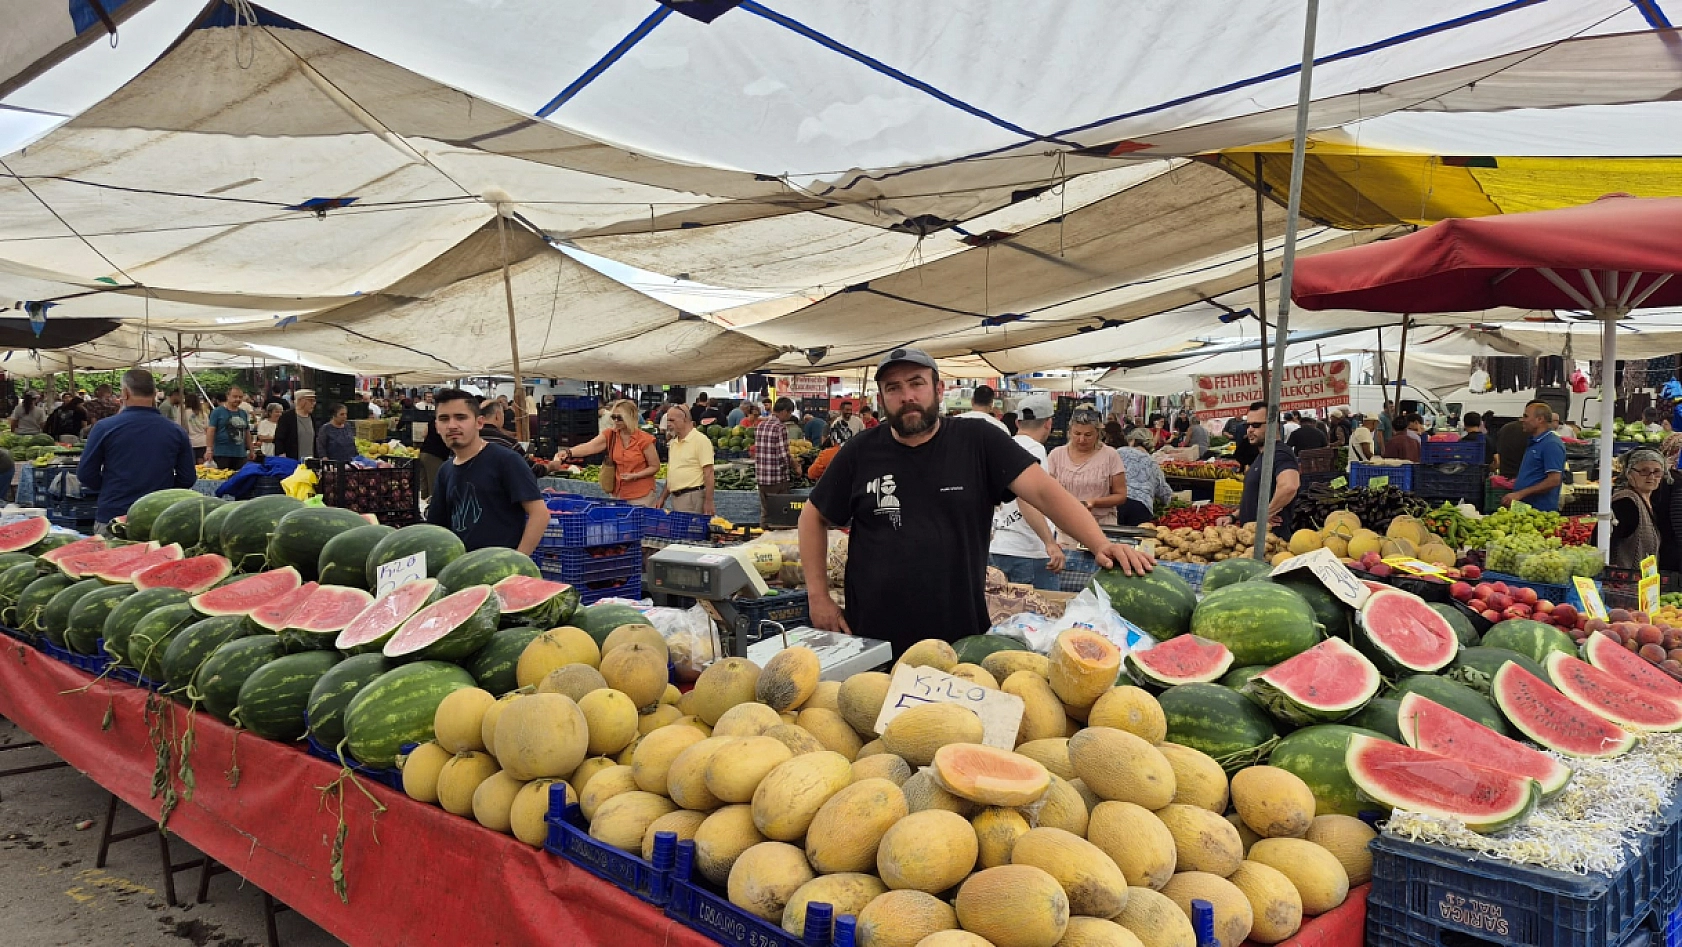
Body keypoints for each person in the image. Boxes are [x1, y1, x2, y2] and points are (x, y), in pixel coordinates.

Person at [800, 347, 1153, 652]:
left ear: (938, 388)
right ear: (881, 398)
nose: (907, 395)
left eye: (917, 383)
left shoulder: (978, 441)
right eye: (893, 388)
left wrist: (1100, 544)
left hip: (959, 638)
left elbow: (1045, 492)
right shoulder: (860, 452)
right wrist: (818, 596)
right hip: (872, 637)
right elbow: (812, 517)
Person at [425, 389, 548, 553]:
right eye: (444, 419)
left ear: (479, 423)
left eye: (461, 417)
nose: (452, 425)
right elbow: (437, 528)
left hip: (501, 569)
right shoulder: (445, 470)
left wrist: (518, 561)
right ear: (437, 427)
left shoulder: (506, 460)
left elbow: (540, 514)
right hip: (462, 569)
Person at [76, 369, 195, 533]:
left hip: (114, 514)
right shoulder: (176, 431)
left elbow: (85, 474)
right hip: (159, 518)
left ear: (124, 393)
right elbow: (187, 478)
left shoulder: (104, 428)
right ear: (154, 393)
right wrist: (163, 491)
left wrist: (111, 487)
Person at [1047, 407, 1138, 573]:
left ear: (1098, 433)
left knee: (1102, 570)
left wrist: (1094, 502)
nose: (1081, 439)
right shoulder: (1056, 455)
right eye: (1077, 433)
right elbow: (1047, 492)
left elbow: (1121, 495)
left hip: (1103, 529)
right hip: (1067, 529)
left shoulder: (1110, 455)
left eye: (1088, 434)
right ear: (1069, 431)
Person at [988, 393, 1063, 591]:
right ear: (1048, 423)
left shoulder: (1003, 447)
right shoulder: (1035, 450)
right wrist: (1050, 543)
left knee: (1001, 615)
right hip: (1028, 551)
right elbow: (1027, 499)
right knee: (1041, 617)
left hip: (998, 546)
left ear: (1018, 422)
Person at [561, 400, 662, 507]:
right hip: (618, 493)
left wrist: (635, 476)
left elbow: (655, 466)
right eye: (613, 417)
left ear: (631, 417)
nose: (616, 421)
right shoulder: (610, 435)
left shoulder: (644, 439)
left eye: (620, 418)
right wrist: (569, 452)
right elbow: (590, 446)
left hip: (641, 495)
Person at [1235, 403, 1301, 537]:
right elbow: (1254, 496)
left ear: (1274, 425)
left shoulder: (1280, 453)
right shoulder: (1263, 454)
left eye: (1256, 425)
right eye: (1247, 425)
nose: (1250, 430)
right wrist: (1233, 516)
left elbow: (1289, 486)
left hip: (1270, 542)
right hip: (1252, 539)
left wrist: (1267, 513)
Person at [1606, 448, 1670, 569]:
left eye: (1657, 472)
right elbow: (1604, 538)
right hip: (1622, 582)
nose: (1651, 476)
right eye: (1644, 471)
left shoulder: (1650, 501)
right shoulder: (1626, 502)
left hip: (1641, 582)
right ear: (1629, 474)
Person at [1505, 402, 1567, 511]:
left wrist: (1520, 493)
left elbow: (1554, 480)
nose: (1522, 420)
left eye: (1526, 416)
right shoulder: (1535, 442)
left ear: (1540, 419)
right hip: (1525, 508)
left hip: (1540, 511)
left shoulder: (1551, 444)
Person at [658, 405, 715, 515]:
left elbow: (709, 473)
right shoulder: (674, 443)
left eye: (672, 420)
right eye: (667, 420)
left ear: (684, 420)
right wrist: (662, 498)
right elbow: (672, 474)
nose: (668, 424)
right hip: (676, 497)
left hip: (692, 497)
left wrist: (709, 501)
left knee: (691, 531)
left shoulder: (700, 440)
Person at [754, 398, 804, 522]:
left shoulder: (761, 425)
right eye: (789, 413)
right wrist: (796, 467)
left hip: (761, 477)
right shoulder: (780, 427)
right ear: (784, 411)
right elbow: (783, 455)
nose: (789, 416)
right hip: (777, 479)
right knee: (780, 515)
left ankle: (763, 536)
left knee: (766, 513)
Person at [1119, 429, 1172, 519]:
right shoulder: (1153, 463)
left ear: (1133, 441)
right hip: (1142, 506)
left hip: (1117, 502)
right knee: (1137, 532)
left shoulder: (1120, 452)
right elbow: (1164, 492)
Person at [1494, 401, 1548, 479]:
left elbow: (1498, 455)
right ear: (1539, 418)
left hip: (1505, 478)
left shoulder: (1505, 428)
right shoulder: (1536, 435)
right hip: (1528, 480)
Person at [207, 388, 254, 470]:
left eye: (240, 397)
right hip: (222, 454)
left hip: (240, 454)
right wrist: (209, 449)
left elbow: (247, 432)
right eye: (235, 397)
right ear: (228, 396)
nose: (238, 399)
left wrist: (251, 449)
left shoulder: (243, 413)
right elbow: (211, 431)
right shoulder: (217, 412)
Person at [272, 389, 316, 462]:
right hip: (292, 461)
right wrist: (281, 455)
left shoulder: (312, 418)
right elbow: (279, 439)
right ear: (301, 401)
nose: (314, 404)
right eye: (311, 401)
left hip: (310, 461)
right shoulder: (287, 417)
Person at [184, 392, 210, 463]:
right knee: (201, 466)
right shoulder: (203, 414)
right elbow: (207, 429)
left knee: (191, 465)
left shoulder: (183, 413)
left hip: (190, 442)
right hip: (203, 442)